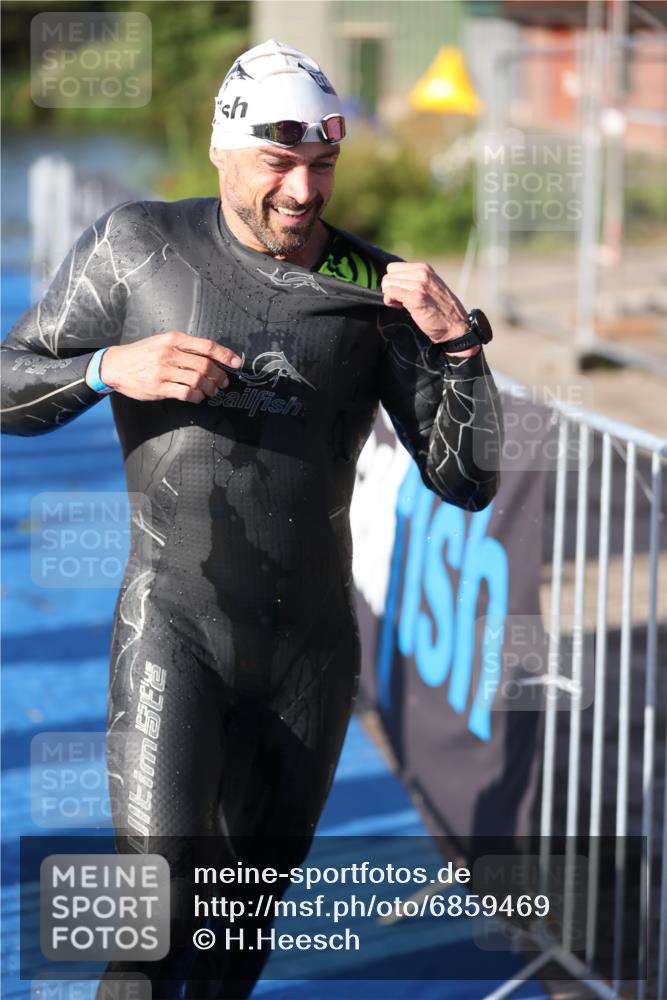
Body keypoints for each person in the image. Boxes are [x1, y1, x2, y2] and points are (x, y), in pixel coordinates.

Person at [1, 39, 502, 1000]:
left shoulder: (376, 291)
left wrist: (455, 350)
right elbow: (7, 379)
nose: (303, 192)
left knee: (232, 949)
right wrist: (109, 368)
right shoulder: (136, 245)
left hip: (307, 662)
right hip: (171, 633)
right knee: (145, 940)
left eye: (322, 166)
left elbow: (467, 482)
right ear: (222, 151)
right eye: (279, 164)